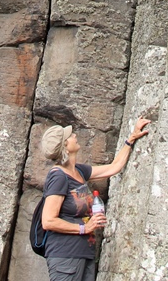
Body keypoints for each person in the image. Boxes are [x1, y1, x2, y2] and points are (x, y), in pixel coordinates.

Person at [40, 116, 150, 281]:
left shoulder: (79, 171)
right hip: (65, 256)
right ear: (64, 146)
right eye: (70, 136)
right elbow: (48, 221)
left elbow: (113, 168)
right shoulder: (59, 177)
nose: (74, 136)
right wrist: (84, 228)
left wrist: (131, 139)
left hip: (84, 253)